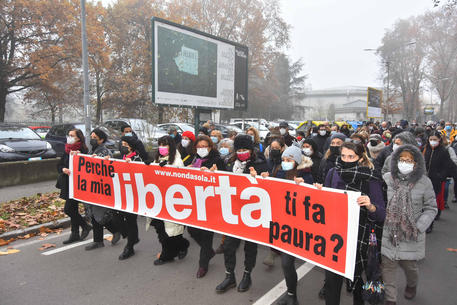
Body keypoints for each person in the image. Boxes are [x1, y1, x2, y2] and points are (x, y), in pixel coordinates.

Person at [321, 142, 386, 305]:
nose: (347, 160)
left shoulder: (371, 177)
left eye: (351, 156)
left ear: (361, 157)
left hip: (359, 238)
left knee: (358, 284)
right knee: (331, 282)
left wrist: (370, 206)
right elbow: (325, 201)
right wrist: (318, 191)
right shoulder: (333, 172)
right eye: (343, 156)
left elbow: (381, 214)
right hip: (335, 235)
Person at [381, 144, 437, 305]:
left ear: (416, 163)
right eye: (401, 160)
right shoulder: (387, 179)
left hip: (411, 234)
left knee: (410, 267)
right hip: (388, 232)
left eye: (409, 160)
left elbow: (431, 208)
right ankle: (390, 299)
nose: (404, 163)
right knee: (387, 267)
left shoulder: (424, 182)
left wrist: (419, 227)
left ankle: (412, 284)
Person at [260, 144, 314, 305]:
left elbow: (313, 199)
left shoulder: (307, 176)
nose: (285, 162)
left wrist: (305, 186)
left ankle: (292, 296)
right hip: (282, 223)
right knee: (286, 264)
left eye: (289, 159)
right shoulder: (280, 173)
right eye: (283, 159)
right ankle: (291, 295)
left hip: (297, 226)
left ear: (296, 161)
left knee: (286, 262)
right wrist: (263, 177)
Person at [216, 134, 269, 293]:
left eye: (245, 149)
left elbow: (268, 187)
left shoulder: (260, 164)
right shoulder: (229, 163)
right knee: (228, 246)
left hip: (251, 213)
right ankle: (229, 276)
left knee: (250, 247)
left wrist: (259, 178)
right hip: (232, 211)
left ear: (251, 150)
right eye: (239, 149)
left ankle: (247, 275)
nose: (241, 152)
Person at [188, 135, 226, 278]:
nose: (201, 149)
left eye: (204, 146)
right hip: (196, 201)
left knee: (206, 235)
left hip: (211, 203)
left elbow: (224, 178)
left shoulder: (217, 160)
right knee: (192, 230)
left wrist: (213, 173)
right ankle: (209, 251)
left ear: (210, 147)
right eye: (199, 147)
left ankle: (203, 265)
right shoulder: (195, 159)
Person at [148, 135, 190, 265]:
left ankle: (167, 255)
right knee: (161, 228)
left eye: (165, 145)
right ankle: (182, 245)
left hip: (171, 200)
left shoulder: (177, 162)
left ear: (170, 146)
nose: (162, 147)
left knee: (170, 230)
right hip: (158, 199)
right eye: (160, 144)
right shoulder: (157, 160)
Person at [85, 128, 124, 251]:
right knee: (95, 214)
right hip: (92, 188)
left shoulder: (105, 152)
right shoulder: (93, 150)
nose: (92, 139)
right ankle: (106, 236)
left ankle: (103, 238)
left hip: (100, 188)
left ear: (101, 140)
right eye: (91, 137)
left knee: (99, 214)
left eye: (95, 137)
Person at [57, 128, 92, 244]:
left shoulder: (83, 150)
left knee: (68, 209)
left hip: (77, 184)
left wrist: (78, 156)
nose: (69, 137)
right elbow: (59, 164)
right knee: (72, 209)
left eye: (72, 135)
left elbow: (87, 167)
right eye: (69, 135)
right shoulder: (67, 149)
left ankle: (85, 226)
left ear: (79, 138)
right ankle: (75, 233)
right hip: (67, 183)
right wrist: (63, 169)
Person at [116, 135, 147, 260]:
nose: (122, 147)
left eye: (125, 145)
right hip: (121, 193)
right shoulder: (120, 157)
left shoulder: (137, 158)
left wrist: (132, 165)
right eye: (121, 144)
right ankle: (132, 238)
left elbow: (142, 174)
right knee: (116, 216)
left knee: (130, 220)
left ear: (131, 147)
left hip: (133, 194)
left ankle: (130, 247)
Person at [423, 131, 457, 232]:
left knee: (431, 203)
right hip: (423, 180)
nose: (432, 142)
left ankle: (429, 224)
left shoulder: (443, 151)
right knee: (422, 203)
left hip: (435, 182)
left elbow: (449, 166)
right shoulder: (425, 149)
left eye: (435, 140)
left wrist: (441, 176)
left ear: (439, 140)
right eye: (431, 140)